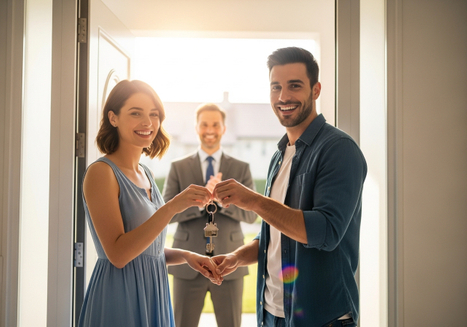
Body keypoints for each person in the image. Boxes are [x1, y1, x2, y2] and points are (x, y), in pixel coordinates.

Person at [210, 47, 367, 327]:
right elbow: (274, 236)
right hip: (272, 315)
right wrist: (237, 257)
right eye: (276, 87)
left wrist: (254, 201)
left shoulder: (339, 150)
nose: (283, 97)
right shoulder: (279, 156)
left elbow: (326, 232)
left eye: (294, 86)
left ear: (315, 90)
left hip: (322, 320)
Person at [78, 80, 220, 327]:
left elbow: (145, 250)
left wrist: (186, 256)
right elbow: (119, 255)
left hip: (154, 290)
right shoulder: (101, 173)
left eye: (154, 115)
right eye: (136, 113)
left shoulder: (146, 174)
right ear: (113, 118)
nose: (148, 123)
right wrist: (172, 207)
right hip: (120, 296)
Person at [162, 103, 257, 327]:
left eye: (215, 124)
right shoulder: (179, 167)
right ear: (196, 128)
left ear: (224, 128)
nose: (210, 129)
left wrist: (223, 202)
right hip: (187, 264)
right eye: (204, 124)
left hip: (230, 263)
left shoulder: (241, 168)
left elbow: (252, 216)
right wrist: (198, 202)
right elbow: (165, 212)